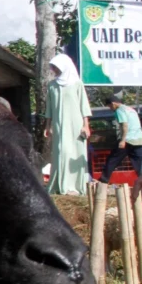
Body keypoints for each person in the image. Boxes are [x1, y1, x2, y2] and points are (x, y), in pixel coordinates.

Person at [44, 53, 91, 196]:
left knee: (76, 152)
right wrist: (48, 126)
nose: (55, 70)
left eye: (57, 67)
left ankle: (75, 186)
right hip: (59, 125)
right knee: (61, 152)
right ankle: (61, 185)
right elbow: (49, 108)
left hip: (76, 125)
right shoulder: (52, 86)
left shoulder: (77, 84)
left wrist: (86, 125)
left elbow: (84, 106)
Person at [99, 94, 142, 184]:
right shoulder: (131, 109)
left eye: (109, 106)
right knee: (140, 165)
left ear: (113, 103)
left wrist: (122, 140)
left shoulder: (119, 110)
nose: (110, 108)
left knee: (112, 159)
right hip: (139, 140)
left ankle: (103, 180)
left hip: (128, 140)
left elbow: (125, 125)